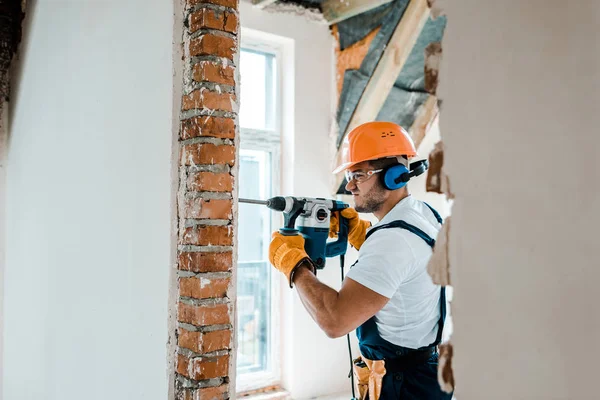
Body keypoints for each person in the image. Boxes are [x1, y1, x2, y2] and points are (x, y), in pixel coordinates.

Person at [268, 121, 452, 399]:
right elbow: (407, 260)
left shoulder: (392, 242)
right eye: (349, 174)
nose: (349, 185)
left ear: (395, 177)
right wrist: (360, 233)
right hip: (423, 373)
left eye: (359, 174)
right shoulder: (422, 214)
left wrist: (294, 264)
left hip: (403, 385)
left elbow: (335, 321)